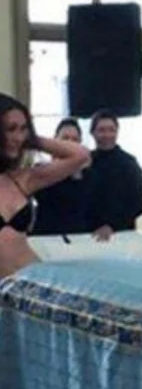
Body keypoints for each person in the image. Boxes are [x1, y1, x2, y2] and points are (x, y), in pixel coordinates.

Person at [0, 94, 91, 279]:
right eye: (11, 129)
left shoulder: (23, 179)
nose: (18, 137)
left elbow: (81, 155)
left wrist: (32, 139)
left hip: (35, 283)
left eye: (24, 129)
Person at [86, 109, 142, 241]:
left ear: (117, 132)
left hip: (123, 235)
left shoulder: (129, 163)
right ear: (92, 133)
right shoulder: (85, 163)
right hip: (87, 235)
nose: (107, 135)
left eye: (111, 130)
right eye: (101, 130)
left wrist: (112, 226)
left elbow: (140, 203)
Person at [31, 117, 93, 237]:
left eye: (74, 139)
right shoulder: (41, 169)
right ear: (55, 140)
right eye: (65, 138)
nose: (69, 143)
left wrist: (76, 171)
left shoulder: (88, 174)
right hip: (44, 237)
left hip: (77, 237)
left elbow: (84, 205)